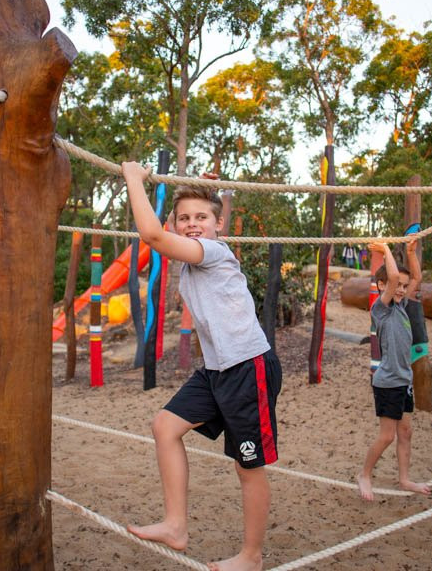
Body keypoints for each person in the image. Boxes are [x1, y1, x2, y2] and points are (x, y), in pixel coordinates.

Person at [122, 161, 282, 571]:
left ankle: (252, 556)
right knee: (165, 426)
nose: (194, 224)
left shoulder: (213, 252)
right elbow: (163, 230)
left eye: (202, 218)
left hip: (249, 367)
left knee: (248, 467)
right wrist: (195, 188)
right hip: (216, 370)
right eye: (186, 219)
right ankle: (176, 524)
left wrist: (134, 179)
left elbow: (152, 235)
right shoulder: (192, 257)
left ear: (218, 224)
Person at [357, 240, 431, 501]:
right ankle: (364, 474)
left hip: (404, 380)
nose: (401, 289)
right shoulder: (382, 310)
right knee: (387, 436)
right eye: (396, 286)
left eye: (403, 286)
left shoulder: (400, 307)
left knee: (405, 432)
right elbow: (391, 278)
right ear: (383, 287)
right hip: (387, 382)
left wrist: (410, 253)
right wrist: (386, 248)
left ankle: (404, 479)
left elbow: (417, 277)